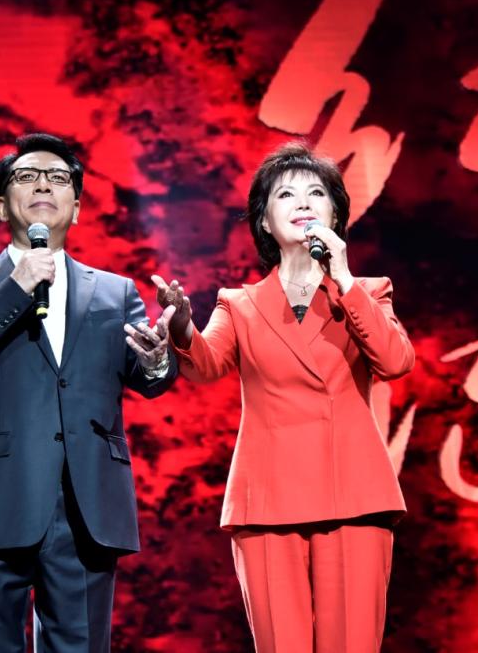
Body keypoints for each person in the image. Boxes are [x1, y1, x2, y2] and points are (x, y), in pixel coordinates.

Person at [0, 133, 177, 652]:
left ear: (76, 209)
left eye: (58, 178)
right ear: (1, 205)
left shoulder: (116, 293)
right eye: (27, 177)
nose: (43, 185)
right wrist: (14, 290)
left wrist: (158, 359)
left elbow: (148, 377)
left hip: (86, 508)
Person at [155, 142, 414, 652]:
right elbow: (205, 365)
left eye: (316, 193)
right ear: (264, 221)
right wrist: (182, 325)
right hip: (268, 500)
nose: (303, 203)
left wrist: (344, 280)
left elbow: (395, 361)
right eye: (286, 195)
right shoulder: (240, 304)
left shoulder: (367, 291)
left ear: (335, 215)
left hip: (354, 496)